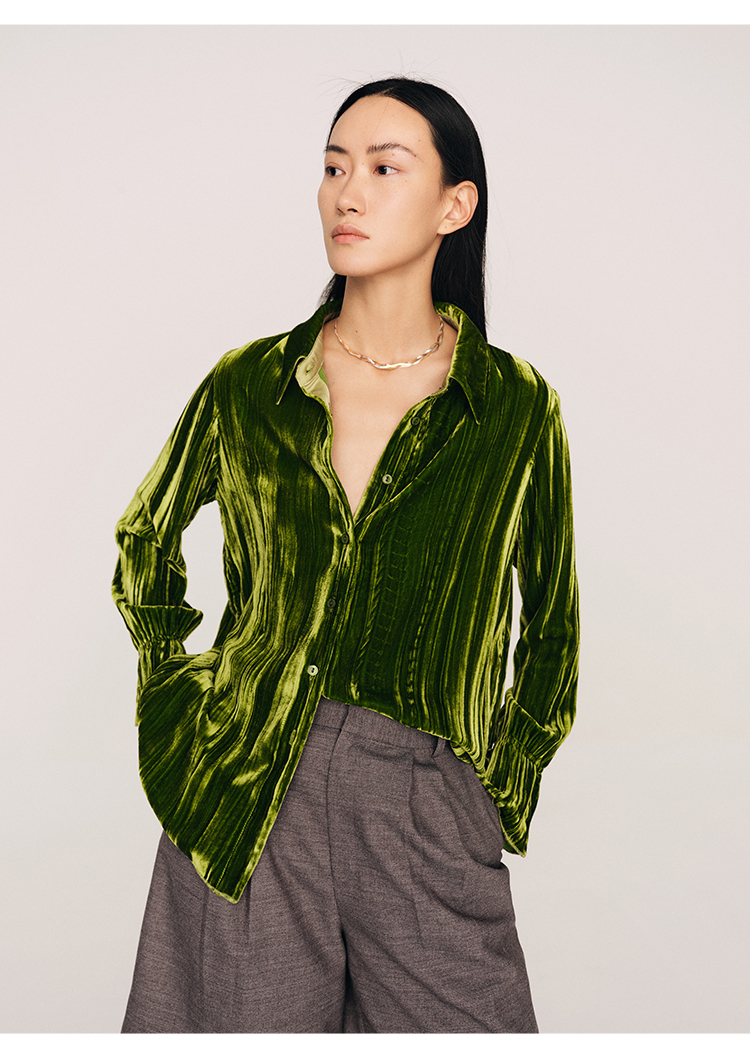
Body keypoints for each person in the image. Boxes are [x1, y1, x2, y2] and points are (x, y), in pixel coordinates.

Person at [113, 76, 579, 1034]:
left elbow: (553, 625)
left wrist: (496, 786)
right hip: (248, 785)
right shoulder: (250, 384)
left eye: (382, 168)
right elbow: (146, 538)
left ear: (456, 204)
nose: (347, 193)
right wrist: (181, 702)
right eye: (332, 168)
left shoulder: (513, 407)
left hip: (424, 799)